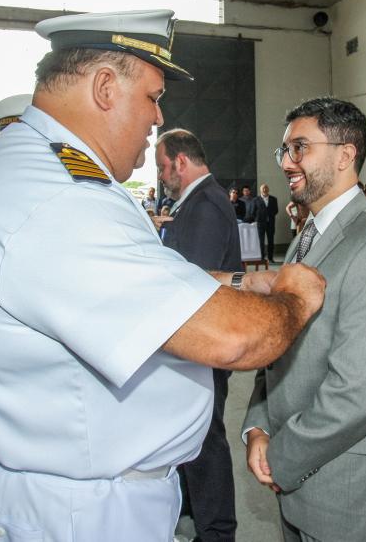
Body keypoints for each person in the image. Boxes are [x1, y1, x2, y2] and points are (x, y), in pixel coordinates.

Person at [0, 10, 325, 541]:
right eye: (153, 97)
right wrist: (297, 297)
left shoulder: (33, 172)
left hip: (65, 492)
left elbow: (135, 278)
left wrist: (237, 283)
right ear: (106, 87)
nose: (158, 117)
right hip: (77, 513)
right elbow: (234, 339)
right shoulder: (58, 197)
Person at [244, 97, 366, 542]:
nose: (287, 162)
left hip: (346, 499)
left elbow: (358, 396)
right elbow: (280, 345)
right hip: (294, 480)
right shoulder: (309, 234)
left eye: (300, 148)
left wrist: (282, 459)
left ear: (345, 155)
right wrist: (259, 425)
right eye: (285, 150)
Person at [155, 128, 241, 542]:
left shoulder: (205, 204)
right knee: (192, 439)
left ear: (181, 162)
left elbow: (195, 284)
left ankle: (217, 532)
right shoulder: (194, 201)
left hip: (202, 346)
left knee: (206, 442)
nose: (161, 177)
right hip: (195, 347)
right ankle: (192, 517)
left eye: (162, 167)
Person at [251, 183, 278, 262]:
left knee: (271, 241)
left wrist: (269, 215)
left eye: (266, 188)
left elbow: (276, 210)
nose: (265, 189)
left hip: (270, 223)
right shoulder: (255, 200)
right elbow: (253, 212)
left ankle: (270, 258)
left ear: (268, 189)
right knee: (261, 241)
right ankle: (262, 257)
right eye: (263, 188)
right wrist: (258, 218)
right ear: (260, 190)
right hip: (260, 223)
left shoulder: (273, 199)